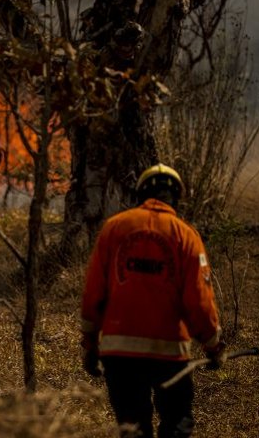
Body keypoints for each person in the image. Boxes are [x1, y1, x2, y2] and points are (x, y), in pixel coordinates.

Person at [81, 163, 226, 438]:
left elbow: (93, 294)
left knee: (133, 430)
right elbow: (199, 301)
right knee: (176, 424)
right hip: (170, 355)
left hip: (119, 355)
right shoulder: (186, 236)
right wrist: (213, 345)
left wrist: (90, 344)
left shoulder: (113, 228)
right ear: (176, 197)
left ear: (141, 194)